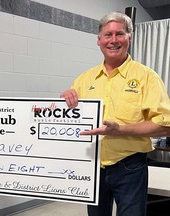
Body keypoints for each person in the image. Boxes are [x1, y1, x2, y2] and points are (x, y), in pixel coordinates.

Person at [61, 12, 170, 216]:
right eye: (107, 35)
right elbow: (70, 120)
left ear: (130, 37)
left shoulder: (147, 77)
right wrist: (64, 101)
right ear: (99, 40)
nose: (113, 40)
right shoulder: (84, 79)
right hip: (92, 166)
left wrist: (120, 129)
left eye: (119, 34)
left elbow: (166, 126)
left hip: (130, 166)